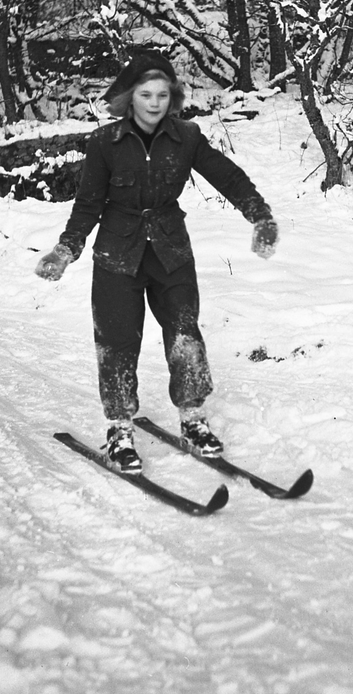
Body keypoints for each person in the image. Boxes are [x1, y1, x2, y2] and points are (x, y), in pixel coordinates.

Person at [35, 49, 279, 474]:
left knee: (185, 334)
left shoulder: (186, 137)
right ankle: (119, 430)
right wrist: (66, 248)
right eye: (145, 94)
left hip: (170, 252)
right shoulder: (104, 143)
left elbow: (228, 177)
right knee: (116, 342)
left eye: (162, 94)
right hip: (116, 255)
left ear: (173, 98)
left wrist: (260, 215)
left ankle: (193, 419)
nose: (154, 103)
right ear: (129, 98)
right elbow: (88, 205)